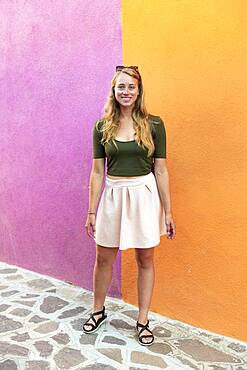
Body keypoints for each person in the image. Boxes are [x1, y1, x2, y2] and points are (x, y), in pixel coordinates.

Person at [83, 65, 176, 346]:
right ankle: (97, 310)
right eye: (121, 87)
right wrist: (91, 211)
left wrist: (168, 211)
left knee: (144, 259)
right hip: (113, 195)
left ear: (139, 90)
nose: (126, 92)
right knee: (103, 258)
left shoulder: (155, 124)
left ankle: (143, 319)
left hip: (145, 195)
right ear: (114, 90)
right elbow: (98, 172)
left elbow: (161, 170)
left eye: (131, 87)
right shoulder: (102, 127)